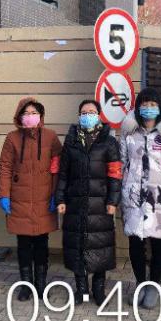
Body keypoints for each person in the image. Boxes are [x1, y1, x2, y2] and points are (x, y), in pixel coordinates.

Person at [120, 88, 161, 309]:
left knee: (158, 243)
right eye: (144, 104)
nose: (148, 108)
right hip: (133, 198)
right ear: (138, 108)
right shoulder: (129, 133)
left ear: (159, 108)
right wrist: (120, 192)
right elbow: (121, 164)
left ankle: (153, 286)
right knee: (135, 243)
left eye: (152, 104)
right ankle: (140, 283)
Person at [56, 100, 122, 306]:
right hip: (75, 203)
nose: (87, 116)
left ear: (99, 115)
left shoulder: (109, 142)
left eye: (91, 112)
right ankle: (82, 290)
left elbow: (115, 174)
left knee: (100, 247)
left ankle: (99, 291)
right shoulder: (71, 141)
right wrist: (60, 198)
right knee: (77, 247)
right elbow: (63, 174)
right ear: (79, 116)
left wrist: (113, 200)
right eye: (84, 113)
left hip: (100, 204)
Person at [0, 97, 62, 301]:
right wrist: (4, 195)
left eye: (34, 113)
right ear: (19, 116)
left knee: (42, 244)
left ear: (41, 116)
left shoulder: (51, 137)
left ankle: (41, 284)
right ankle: (26, 286)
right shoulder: (12, 138)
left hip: (44, 199)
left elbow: (58, 167)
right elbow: (5, 168)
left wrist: (56, 193)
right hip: (20, 199)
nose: (30, 116)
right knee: (23, 244)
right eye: (26, 113)